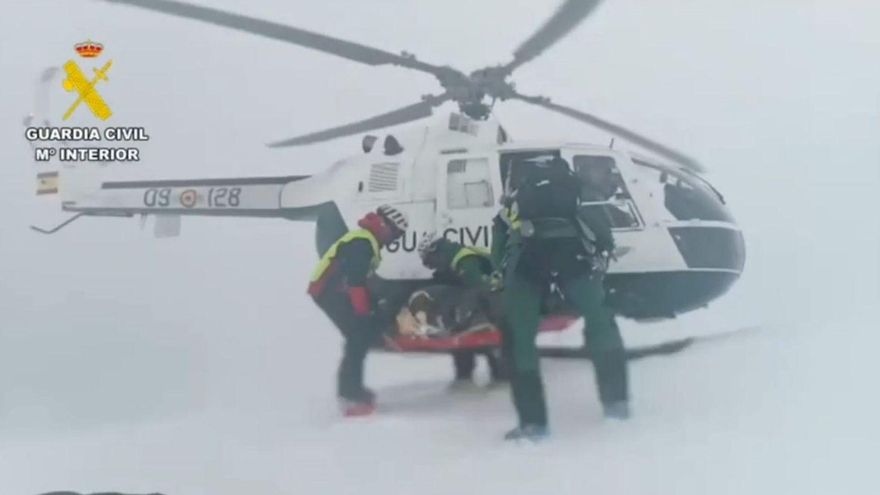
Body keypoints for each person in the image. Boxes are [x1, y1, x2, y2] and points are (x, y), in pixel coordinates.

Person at [492, 156, 629, 442]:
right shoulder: (577, 188)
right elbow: (599, 225)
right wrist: (603, 250)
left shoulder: (514, 198)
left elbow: (499, 237)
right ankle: (616, 404)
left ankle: (533, 424)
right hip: (572, 256)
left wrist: (502, 273)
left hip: (527, 261)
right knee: (600, 319)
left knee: (520, 338)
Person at [307, 204, 409, 416]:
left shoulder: (367, 241)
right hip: (328, 290)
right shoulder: (362, 243)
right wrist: (364, 314)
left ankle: (353, 390)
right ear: (385, 225)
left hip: (336, 289)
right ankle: (350, 396)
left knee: (361, 334)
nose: (394, 240)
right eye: (396, 234)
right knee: (357, 337)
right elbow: (356, 283)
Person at [417, 234, 506, 386]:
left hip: (499, 299)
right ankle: (465, 372)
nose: (431, 267)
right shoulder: (454, 258)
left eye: (429, 262)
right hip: (494, 298)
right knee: (464, 337)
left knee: (487, 336)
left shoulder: (465, 261)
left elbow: (478, 289)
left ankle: (500, 371)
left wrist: (464, 316)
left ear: (436, 251)